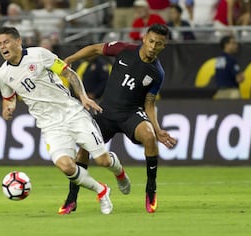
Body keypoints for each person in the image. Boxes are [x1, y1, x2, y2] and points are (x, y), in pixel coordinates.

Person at [0, 26, 131, 214]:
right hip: (49, 125)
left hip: (72, 113)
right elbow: (8, 98)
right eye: (0, 44)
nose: (3, 47)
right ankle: (101, 191)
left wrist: (83, 97)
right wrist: (8, 109)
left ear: (18, 41)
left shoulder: (39, 54)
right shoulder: (2, 74)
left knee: (103, 161)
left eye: (6, 42)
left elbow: (69, 73)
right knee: (66, 166)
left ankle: (119, 172)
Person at [58, 23, 177, 215]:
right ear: (144, 38)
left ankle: (151, 191)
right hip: (106, 113)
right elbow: (96, 48)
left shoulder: (157, 73)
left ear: (164, 46)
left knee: (149, 137)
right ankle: (72, 199)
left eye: (159, 44)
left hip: (130, 114)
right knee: (83, 150)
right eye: (152, 41)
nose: (153, 46)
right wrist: (70, 59)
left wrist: (157, 128)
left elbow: (149, 103)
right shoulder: (125, 49)